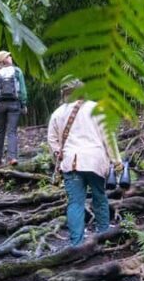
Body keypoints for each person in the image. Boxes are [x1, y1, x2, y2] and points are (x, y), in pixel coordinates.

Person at [47, 78, 122, 246]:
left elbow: (52, 140)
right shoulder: (97, 109)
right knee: (100, 197)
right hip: (95, 161)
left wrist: (58, 155)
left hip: (71, 162)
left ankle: (76, 244)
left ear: (64, 94)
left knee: (75, 203)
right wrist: (116, 160)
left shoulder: (58, 113)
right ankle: (103, 235)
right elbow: (108, 138)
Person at [0, 50, 27, 166]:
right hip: (14, 104)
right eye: (9, 56)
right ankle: (12, 158)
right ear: (5, 59)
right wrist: (23, 104)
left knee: (0, 132)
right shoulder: (17, 71)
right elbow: (22, 91)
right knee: (12, 131)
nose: (11, 57)